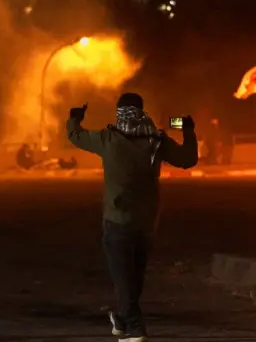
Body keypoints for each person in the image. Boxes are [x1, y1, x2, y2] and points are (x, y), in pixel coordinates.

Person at [66, 93, 197, 342]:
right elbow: (188, 159)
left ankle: (135, 329)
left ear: (119, 113)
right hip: (146, 222)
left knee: (123, 277)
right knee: (134, 276)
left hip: (117, 221)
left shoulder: (108, 138)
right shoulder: (156, 139)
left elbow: (75, 135)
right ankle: (122, 320)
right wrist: (188, 130)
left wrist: (75, 118)